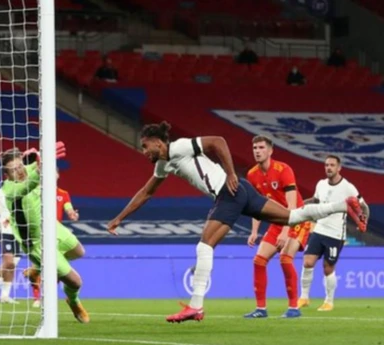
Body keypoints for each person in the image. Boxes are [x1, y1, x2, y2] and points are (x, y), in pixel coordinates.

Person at [107, 121, 366, 323]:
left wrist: (230, 172)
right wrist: (119, 218)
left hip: (228, 192)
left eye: (145, 146)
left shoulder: (180, 146)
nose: (143, 152)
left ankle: (196, 305)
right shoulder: (163, 165)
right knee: (292, 216)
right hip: (240, 191)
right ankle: (344, 205)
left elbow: (217, 141)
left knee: (204, 246)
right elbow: (146, 192)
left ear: (157, 142)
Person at [1, 147, 89, 323]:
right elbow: (30, 183)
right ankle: (73, 301)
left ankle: (36, 270)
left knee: (79, 252)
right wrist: (42, 166)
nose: (18, 171)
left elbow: (35, 163)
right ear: (6, 175)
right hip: (36, 242)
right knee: (76, 282)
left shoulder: (28, 169)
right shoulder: (10, 190)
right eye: (12, 170)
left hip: (51, 226)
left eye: (19, 166)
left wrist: (43, 154)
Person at [245, 136, 312, 318]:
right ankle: (260, 309)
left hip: (297, 218)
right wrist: (254, 231)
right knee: (259, 260)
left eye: (261, 147)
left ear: (270, 151)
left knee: (285, 258)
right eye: (254, 148)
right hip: (277, 221)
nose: (257, 151)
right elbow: (256, 206)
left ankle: (293, 308)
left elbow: (291, 206)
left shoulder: (284, 170)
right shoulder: (252, 174)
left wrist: (285, 232)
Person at [298, 155, 369, 311]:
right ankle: (304, 297)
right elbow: (316, 201)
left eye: (331, 165)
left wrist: (363, 221)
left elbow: (364, 206)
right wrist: (300, 204)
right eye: (326, 165)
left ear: (339, 168)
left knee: (328, 267)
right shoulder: (321, 184)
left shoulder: (348, 187)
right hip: (319, 229)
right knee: (308, 262)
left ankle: (329, 301)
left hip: (335, 233)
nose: (328, 168)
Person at [25, 169, 80, 308]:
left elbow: (68, 208)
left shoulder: (63, 194)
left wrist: (72, 214)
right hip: (39, 232)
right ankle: (37, 296)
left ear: (58, 175)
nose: (51, 174)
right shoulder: (37, 191)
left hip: (56, 233)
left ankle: (45, 297)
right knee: (45, 268)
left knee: (54, 268)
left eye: (54, 172)